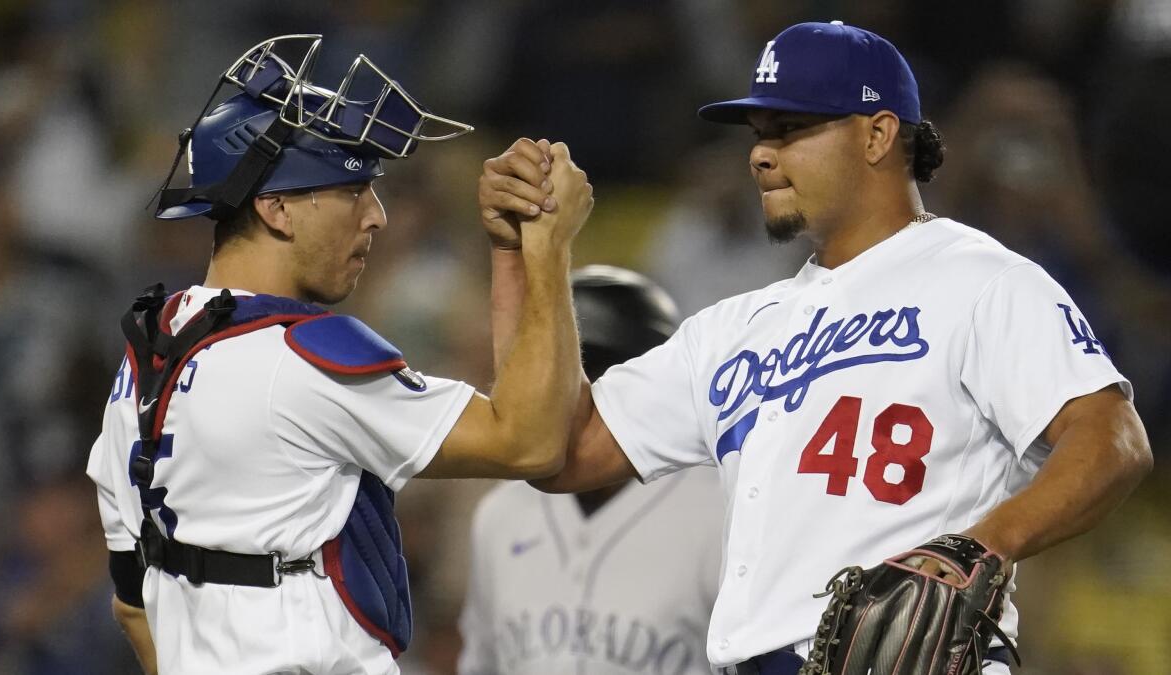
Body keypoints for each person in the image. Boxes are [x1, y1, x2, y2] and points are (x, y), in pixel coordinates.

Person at [483, 20, 1152, 675]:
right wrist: (521, 254)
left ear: (878, 134)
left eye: (791, 129)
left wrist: (980, 548)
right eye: (759, 133)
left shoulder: (982, 281)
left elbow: (1113, 440)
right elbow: (551, 448)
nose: (760, 153)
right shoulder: (736, 327)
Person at [86, 35, 592, 675]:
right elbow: (532, 442)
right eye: (354, 190)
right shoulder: (299, 359)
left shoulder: (142, 362)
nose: (377, 216)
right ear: (276, 208)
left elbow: (133, 607)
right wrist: (546, 249)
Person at [457, 266, 723, 675]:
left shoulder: (716, 511)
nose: (566, 395)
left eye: (591, 374)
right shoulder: (500, 515)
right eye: (550, 374)